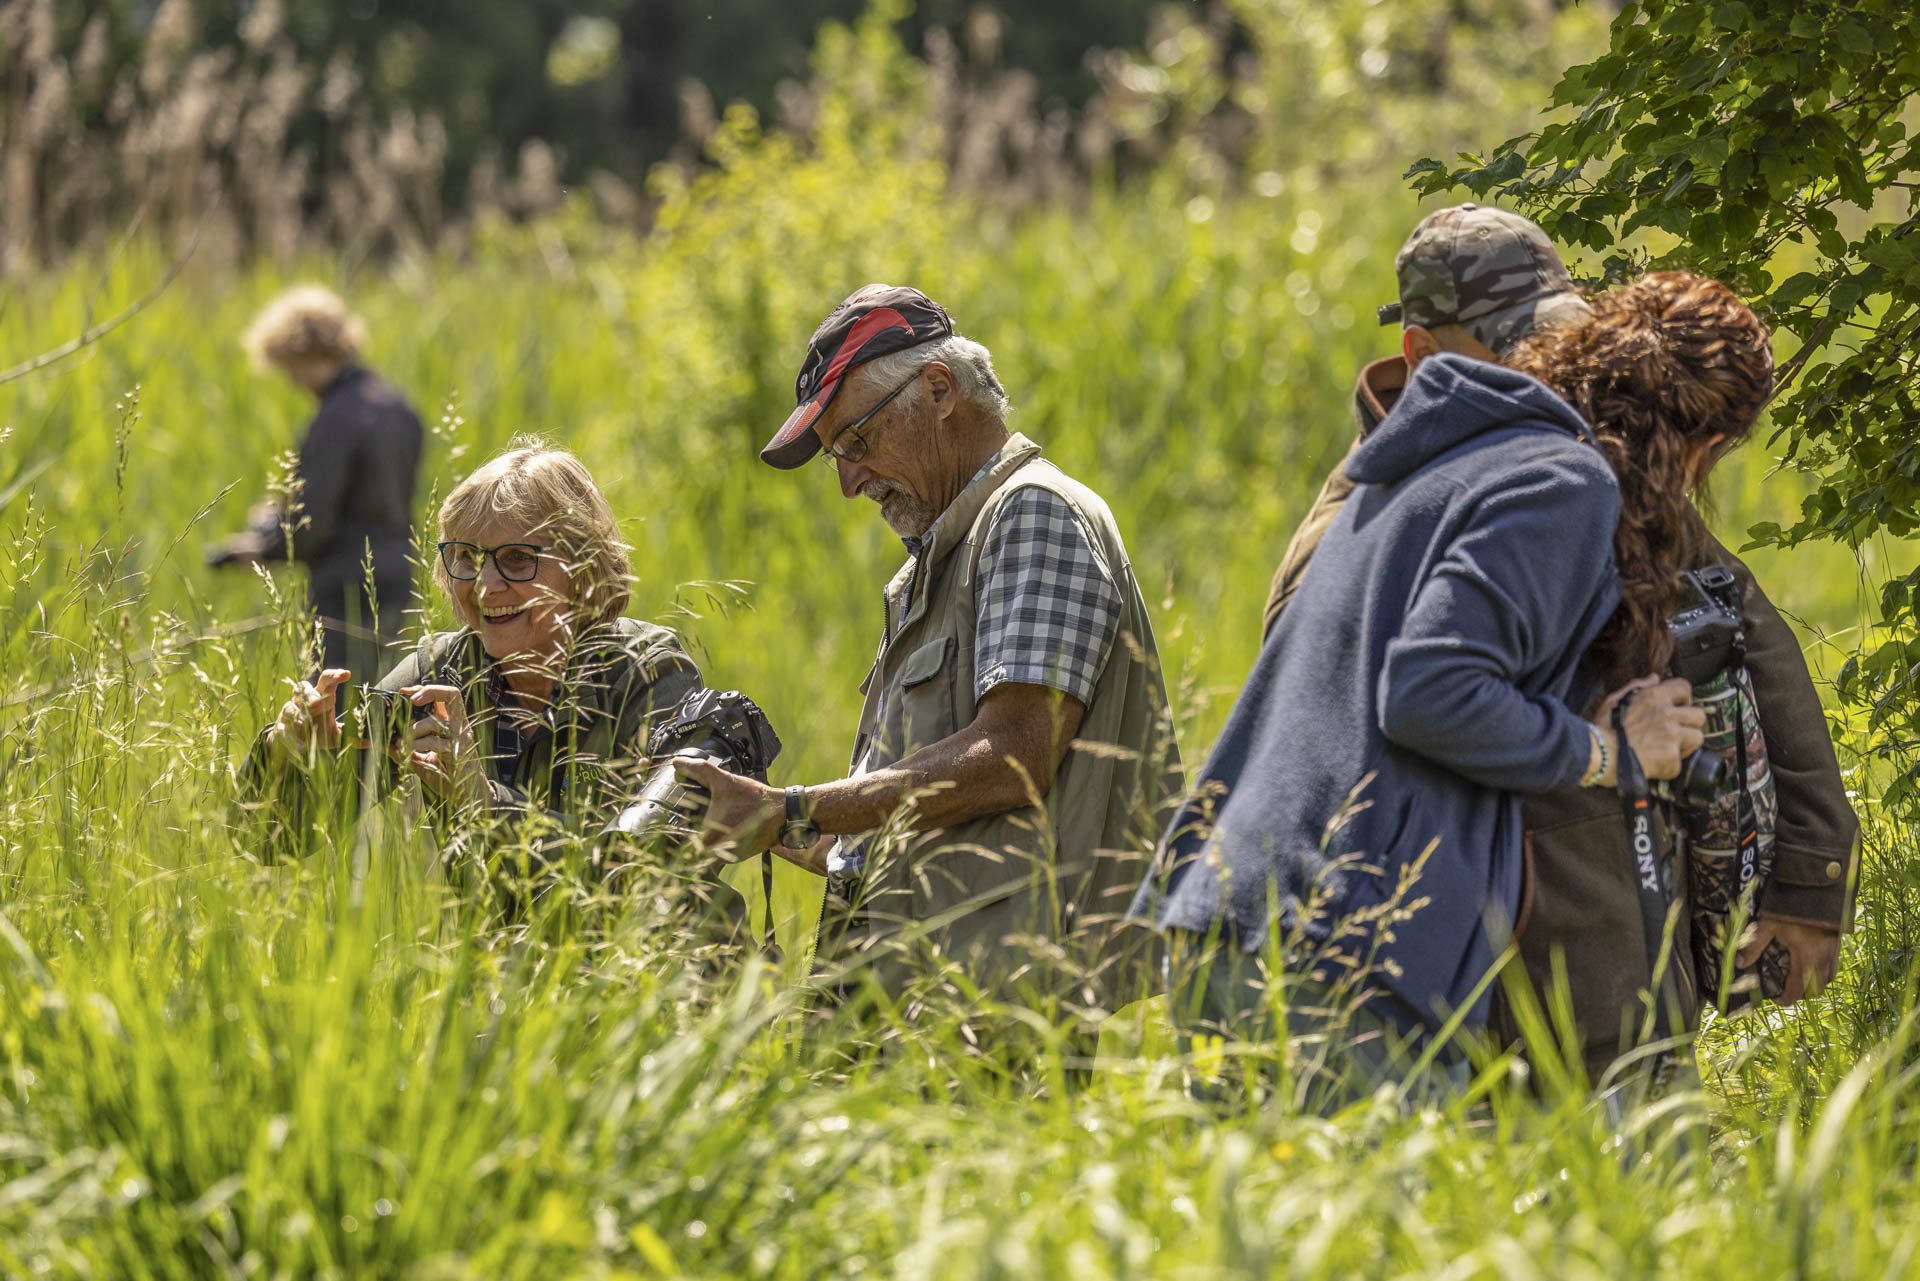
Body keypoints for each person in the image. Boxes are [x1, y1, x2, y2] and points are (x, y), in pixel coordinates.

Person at [1130, 269, 1778, 1111]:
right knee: (1385, 1242)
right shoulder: (1562, 481)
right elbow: (1429, 687)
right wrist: (1607, 750)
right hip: (1340, 954)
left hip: (1239, 913)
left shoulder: (1449, 456)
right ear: (1696, 438)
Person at [1261, 205, 1858, 1089]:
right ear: (1425, 357)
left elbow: (1739, 624)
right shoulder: (1353, 536)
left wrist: (1809, 879)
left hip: (1637, 1007)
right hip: (1476, 1045)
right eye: (1514, 348)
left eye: (1558, 341)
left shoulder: (1575, 464)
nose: (1547, 372)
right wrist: (1601, 745)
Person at [681, 284, 1184, 1008]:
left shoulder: (1035, 512)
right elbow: (905, 831)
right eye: (835, 459)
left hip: (991, 1011)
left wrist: (792, 806)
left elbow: (1014, 755)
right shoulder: (941, 560)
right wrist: (751, 815)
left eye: (856, 441)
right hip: (908, 1009)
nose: (850, 482)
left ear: (940, 390)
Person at [238, 440, 712, 897]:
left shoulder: (647, 673)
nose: (485, 585)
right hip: (495, 971)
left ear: (583, 569)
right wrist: (290, 759)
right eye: (466, 557)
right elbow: (270, 843)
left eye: (518, 559)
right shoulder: (438, 672)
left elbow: (654, 865)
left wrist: (485, 803)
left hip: (663, 972)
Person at [212, 285, 424, 686]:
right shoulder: (400, 407)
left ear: (300, 352)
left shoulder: (333, 420)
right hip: (400, 575)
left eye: (290, 366)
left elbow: (311, 526)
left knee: (337, 712)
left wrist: (263, 545)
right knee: (390, 703)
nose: (292, 380)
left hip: (345, 588)